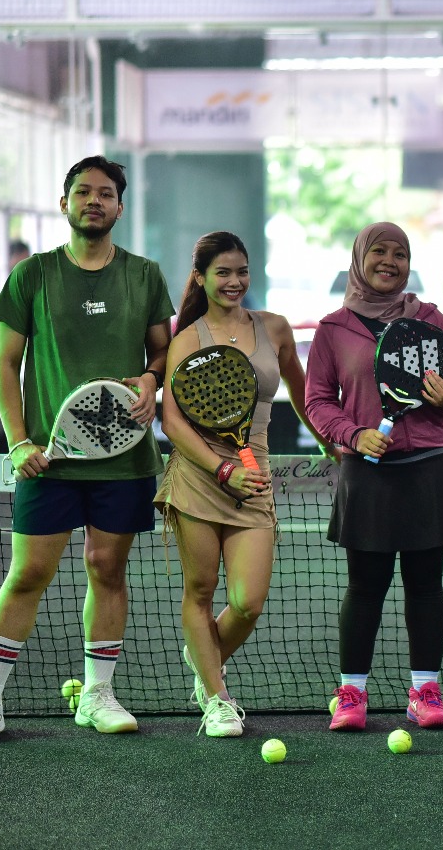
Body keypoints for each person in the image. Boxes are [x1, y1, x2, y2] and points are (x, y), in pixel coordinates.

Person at [0, 156, 173, 744]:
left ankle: (97, 694)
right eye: (82, 192)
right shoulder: (32, 275)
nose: (93, 201)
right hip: (47, 459)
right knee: (30, 573)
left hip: (123, 459)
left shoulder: (146, 275)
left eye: (105, 193)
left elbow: (161, 356)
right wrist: (19, 441)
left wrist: (152, 380)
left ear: (120, 207)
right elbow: (5, 362)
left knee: (106, 568)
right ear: (64, 202)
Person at [155, 231, 334, 737]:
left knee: (248, 602)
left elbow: (303, 393)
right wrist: (221, 468)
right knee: (201, 589)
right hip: (200, 476)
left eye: (242, 271)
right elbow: (172, 421)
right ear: (201, 278)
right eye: (223, 273)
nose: (234, 281)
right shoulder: (186, 339)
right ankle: (217, 698)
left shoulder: (274, 328)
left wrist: (326, 439)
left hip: (255, 480)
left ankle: (204, 662)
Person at [305, 221, 443, 732]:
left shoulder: (430, 317)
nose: (389, 261)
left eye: (400, 254)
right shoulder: (333, 328)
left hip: (427, 466)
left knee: (425, 586)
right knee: (365, 586)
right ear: (359, 257)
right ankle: (351, 694)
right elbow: (316, 400)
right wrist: (353, 435)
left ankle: (425, 692)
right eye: (379, 251)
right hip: (368, 470)